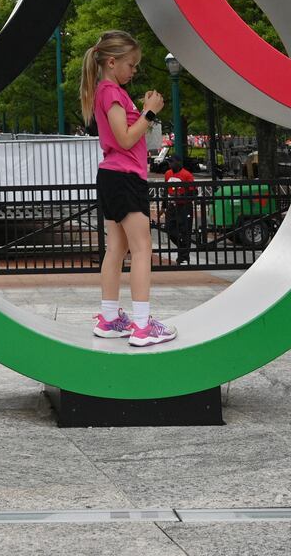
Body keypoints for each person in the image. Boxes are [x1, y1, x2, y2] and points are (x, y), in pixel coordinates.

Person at [81, 30, 175, 346]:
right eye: (131, 65)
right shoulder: (111, 93)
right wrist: (149, 112)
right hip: (124, 177)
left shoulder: (105, 91)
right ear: (112, 62)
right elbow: (124, 138)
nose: (134, 72)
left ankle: (109, 319)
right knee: (142, 249)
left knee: (117, 249)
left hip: (111, 177)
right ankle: (143, 326)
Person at [162, 158, 195, 265]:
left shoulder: (187, 175)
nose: (170, 164)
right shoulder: (167, 174)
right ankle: (182, 248)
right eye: (169, 162)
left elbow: (193, 191)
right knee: (169, 229)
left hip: (184, 206)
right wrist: (164, 206)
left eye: (172, 162)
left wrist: (181, 195)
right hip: (172, 206)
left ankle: (184, 257)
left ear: (178, 162)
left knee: (185, 231)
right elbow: (165, 190)